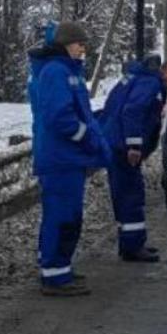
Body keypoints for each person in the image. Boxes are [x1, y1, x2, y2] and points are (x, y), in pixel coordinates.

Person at [28, 21, 111, 297]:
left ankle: (58, 268)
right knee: (63, 216)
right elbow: (60, 117)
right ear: (66, 44)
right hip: (60, 159)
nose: (82, 49)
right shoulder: (56, 72)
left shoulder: (65, 70)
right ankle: (55, 275)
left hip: (65, 158)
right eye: (79, 44)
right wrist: (86, 136)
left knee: (65, 214)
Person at [100, 54, 167, 262]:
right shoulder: (150, 83)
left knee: (127, 192)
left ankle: (131, 242)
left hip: (115, 142)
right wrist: (134, 145)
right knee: (131, 194)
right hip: (122, 147)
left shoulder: (139, 78)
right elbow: (132, 111)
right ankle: (132, 246)